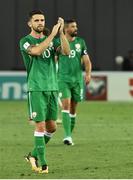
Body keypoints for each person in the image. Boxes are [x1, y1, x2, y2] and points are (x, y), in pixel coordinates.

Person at [19, 10, 70, 174]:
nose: (40, 22)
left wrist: (61, 33)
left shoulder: (53, 39)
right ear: (30, 23)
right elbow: (37, 51)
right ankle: (44, 164)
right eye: (37, 20)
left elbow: (66, 52)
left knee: (52, 127)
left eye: (42, 20)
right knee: (40, 126)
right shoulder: (25, 41)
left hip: (52, 88)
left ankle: (32, 155)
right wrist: (52, 35)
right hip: (36, 88)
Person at [57, 19, 92, 145]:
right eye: (73, 26)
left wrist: (88, 74)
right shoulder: (59, 42)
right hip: (63, 80)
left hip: (77, 80)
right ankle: (67, 136)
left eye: (76, 26)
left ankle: (69, 135)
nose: (76, 28)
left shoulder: (80, 42)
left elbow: (87, 60)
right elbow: (54, 61)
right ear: (66, 29)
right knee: (66, 106)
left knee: (73, 109)